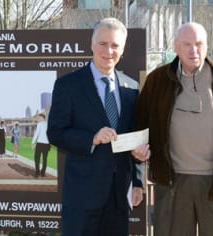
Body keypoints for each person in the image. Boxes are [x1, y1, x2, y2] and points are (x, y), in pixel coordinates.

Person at [137, 22, 213, 236]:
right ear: (176, 47)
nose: (193, 50)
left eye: (199, 44)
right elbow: (141, 126)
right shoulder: (157, 81)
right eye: (187, 44)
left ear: (206, 46)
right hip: (172, 184)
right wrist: (141, 154)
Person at [47, 17, 150, 235]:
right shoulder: (68, 85)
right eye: (103, 44)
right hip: (82, 198)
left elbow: (136, 137)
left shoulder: (131, 89)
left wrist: (138, 180)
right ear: (92, 45)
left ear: (122, 50)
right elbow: (56, 133)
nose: (109, 51)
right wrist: (91, 138)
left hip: (119, 199)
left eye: (115, 45)